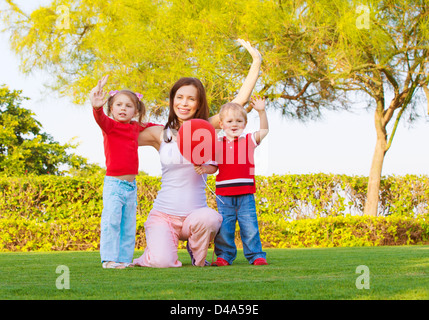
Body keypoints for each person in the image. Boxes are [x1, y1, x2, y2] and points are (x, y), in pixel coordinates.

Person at [129, 39, 263, 267]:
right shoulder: (159, 133)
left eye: (191, 98)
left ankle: (196, 252)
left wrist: (256, 60)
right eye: (179, 97)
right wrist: (105, 109)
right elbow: (120, 136)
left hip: (196, 216)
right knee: (161, 262)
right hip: (165, 215)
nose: (184, 103)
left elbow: (239, 101)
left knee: (211, 218)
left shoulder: (207, 128)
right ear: (172, 101)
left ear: (199, 102)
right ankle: (154, 252)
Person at [90, 84, 159, 269]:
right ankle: (109, 260)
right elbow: (100, 118)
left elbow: (155, 127)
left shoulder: (136, 128)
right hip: (114, 184)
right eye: (119, 105)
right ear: (111, 108)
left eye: (128, 106)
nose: (123, 108)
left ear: (135, 110)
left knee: (128, 224)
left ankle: (124, 260)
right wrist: (96, 107)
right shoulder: (110, 126)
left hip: (131, 186)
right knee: (111, 221)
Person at [211, 96, 269, 266]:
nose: (234, 124)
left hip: (245, 194)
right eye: (229, 121)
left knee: (249, 226)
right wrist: (202, 167)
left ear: (244, 124)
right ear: (221, 124)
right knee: (225, 229)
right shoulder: (217, 144)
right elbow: (213, 167)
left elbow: (264, 131)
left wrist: (261, 111)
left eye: (239, 121)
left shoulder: (248, 140)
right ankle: (224, 256)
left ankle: (256, 255)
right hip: (224, 195)